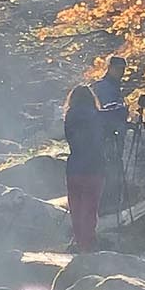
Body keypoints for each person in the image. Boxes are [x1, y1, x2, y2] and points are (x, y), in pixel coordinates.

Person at [61, 81, 109, 252]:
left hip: (74, 168)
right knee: (90, 206)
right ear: (91, 99)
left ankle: (78, 240)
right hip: (94, 168)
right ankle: (88, 243)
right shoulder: (97, 116)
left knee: (76, 207)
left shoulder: (69, 116)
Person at [94, 55, 133, 220]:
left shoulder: (114, 87)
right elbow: (103, 113)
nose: (121, 72)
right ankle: (106, 208)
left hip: (114, 136)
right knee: (109, 170)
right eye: (118, 68)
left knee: (115, 169)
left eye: (123, 69)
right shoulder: (103, 87)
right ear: (109, 68)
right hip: (106, 137)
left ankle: (111, 206)